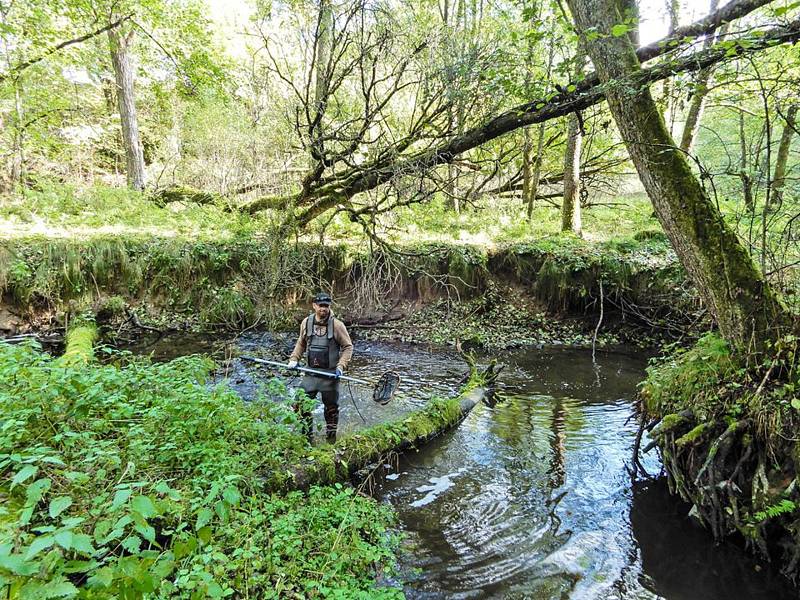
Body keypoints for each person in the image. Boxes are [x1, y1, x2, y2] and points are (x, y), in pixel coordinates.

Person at [288, 292, 353, 443]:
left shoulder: (337, 325)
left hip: (330, 376)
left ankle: (331, 441)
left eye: (326, 306)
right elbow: (301, 343)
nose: (323, 309)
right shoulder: (306, 322)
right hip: (310, 374)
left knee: (331, 410)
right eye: (321, 305)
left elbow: (348, 347)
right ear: (314, 306)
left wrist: (341, 366)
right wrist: (294, 358)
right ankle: (307, 438)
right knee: (299, 405)